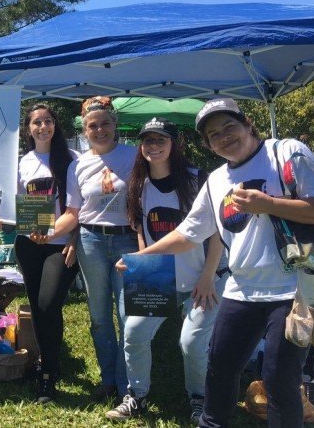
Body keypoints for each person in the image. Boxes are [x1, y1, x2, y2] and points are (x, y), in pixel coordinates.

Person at [119, 98, 314, 427]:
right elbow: (189, 233)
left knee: (278, 380)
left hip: (294, 289)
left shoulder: (287, 152)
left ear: (247, 124)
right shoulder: (217, 180)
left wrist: (269, 204)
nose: (224, 136)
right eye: (214, 134)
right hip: (240, 289)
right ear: (208, 144)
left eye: (229, 126)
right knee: (218, 370)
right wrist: (144, 255)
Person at [105, 117, 226, 422]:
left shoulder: (200, 180)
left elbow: (217, 236)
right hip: (160, 276)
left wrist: (208, 277)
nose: (153, 146)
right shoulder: (138, 185)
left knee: (191, 342)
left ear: (175, 144)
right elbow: (141, 229)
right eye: (148, 140)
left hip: (205, 277)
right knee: (133, 333)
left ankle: (198, 398)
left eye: (161, 140)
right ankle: (137, 395)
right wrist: (142, 259)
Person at [35, 95, 137, 400]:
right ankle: (109, 381)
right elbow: (73, 214)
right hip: (91, 242)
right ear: (85, 128)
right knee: (99, 317)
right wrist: (50, 232)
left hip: (127, 242)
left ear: (115, 125)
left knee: (127, 317)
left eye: (105, 123)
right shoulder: (77, 165)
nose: (100, 129)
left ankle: (127, 385)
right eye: (93, 125)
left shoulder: (135, 156)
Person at [12, 103, 80, 403]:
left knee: (49, 303)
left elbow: (83, 208)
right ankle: (47, 366)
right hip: (28, 244)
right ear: (28, 128)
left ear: (55, 125)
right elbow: (14, 203)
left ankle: (49, 371)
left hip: (60, 244)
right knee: (38, 308)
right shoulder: (20, 163)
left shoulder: (73, 160)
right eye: (37, 122)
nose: (43, 127)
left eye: (48, 121)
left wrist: (74, 239)